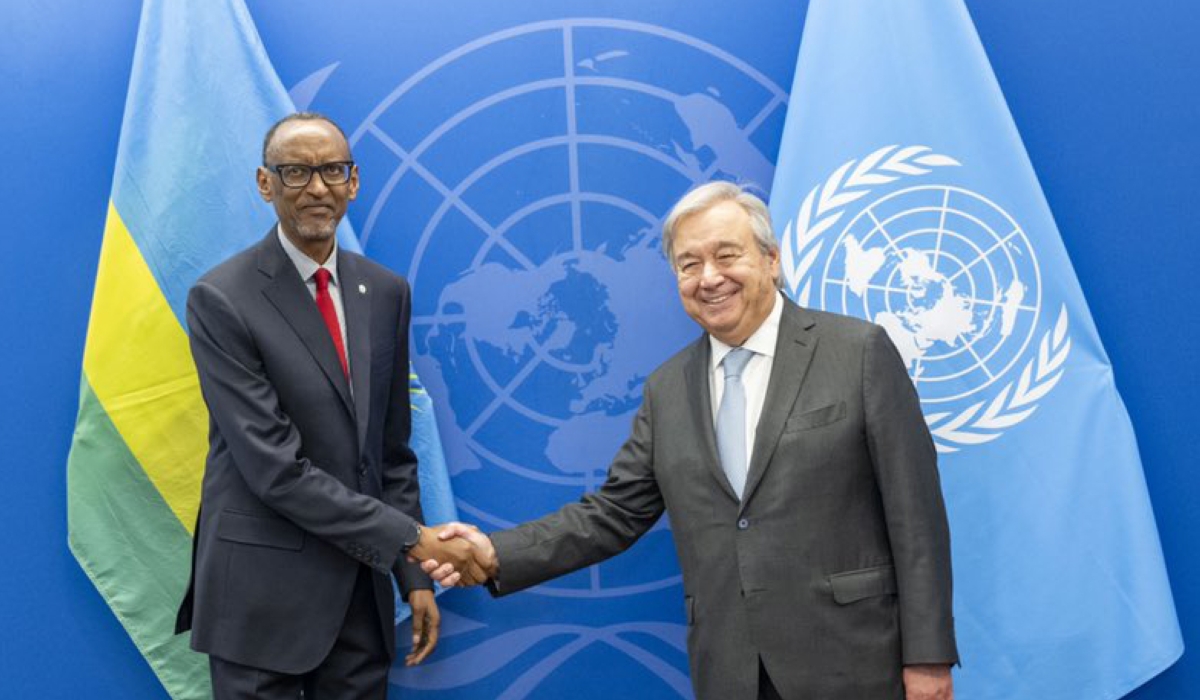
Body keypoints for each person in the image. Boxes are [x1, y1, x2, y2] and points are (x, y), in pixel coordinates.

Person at [425, 182, 958, 700]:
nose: (709, 278)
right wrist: (495, 553)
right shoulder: (667, 389)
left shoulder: (858, 352)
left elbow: (916, 517)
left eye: (727, 255)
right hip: (731, 670)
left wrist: (928, 658)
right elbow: (612, 514)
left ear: (771, 259)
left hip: (853, 663)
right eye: (689, 264)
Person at [174, 112, 479, 700]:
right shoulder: (221, 299)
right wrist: (410, 538)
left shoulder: (386, 292)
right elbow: (275, 470)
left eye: (333, 171)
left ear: (353, 182)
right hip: (261, 605)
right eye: (296, 172)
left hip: (359, 602)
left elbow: (391, 451)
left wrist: (414, 575)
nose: (317, 188)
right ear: (265, 184)